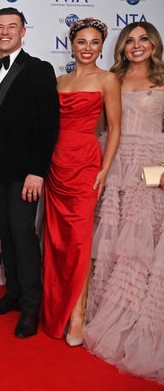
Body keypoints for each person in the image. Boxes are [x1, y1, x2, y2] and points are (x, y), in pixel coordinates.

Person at [84, 22, 164, 382]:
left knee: (141, 245)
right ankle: (110, 313)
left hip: (152, 169)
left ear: (154, 44)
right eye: (129, 40)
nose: (137, 45)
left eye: (143, 39)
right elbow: (100, 126)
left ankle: (138, 319)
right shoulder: (111, 80)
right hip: (114, 164)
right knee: (113, 244)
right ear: (120, 47)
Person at [41, 17, 121, 345]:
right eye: (82, 42)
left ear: (102, 47)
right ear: (71, 45)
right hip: (56, 164)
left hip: (86, 163)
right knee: (57, 242)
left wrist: (105, 168)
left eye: (95, 43)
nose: (88, 48)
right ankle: (57, 309)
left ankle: (78, 315)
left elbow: (114, 127)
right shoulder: (58, 82)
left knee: (79, 242)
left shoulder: (108, 80)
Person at [0, 7, 60, 339]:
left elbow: (48, 125)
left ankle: (31, 307)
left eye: (11, 27)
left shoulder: (39, 69)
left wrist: (37, 172)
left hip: (24, 172)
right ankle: (13, 294)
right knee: (6, 233)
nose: (4, 32)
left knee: (23, 234)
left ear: (23, 31)